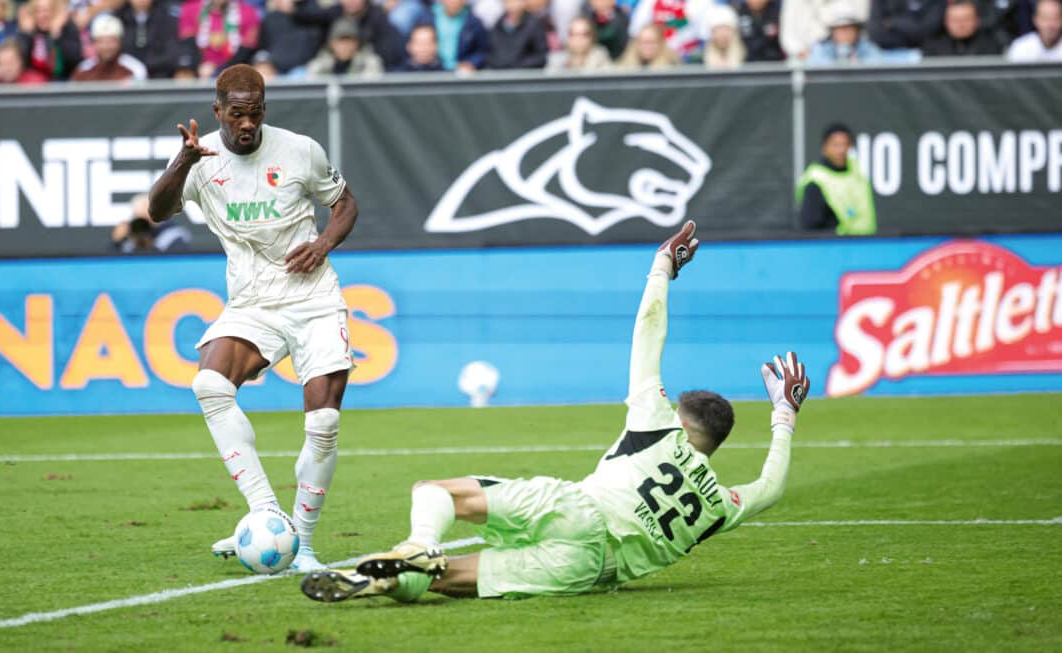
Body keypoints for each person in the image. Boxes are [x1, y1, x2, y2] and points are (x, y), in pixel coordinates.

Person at [300, 221, 811, 604]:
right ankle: (390, 581)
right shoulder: (719, 505)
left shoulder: (658, 425)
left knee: (435, 493)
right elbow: (771, 486)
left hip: (577, 510)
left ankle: (417, 544)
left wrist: (662, 269)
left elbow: (648, 335)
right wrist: (783, 417)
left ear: (681, 418)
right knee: (452, 579)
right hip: (589, 572)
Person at [148, 64, 359, 573]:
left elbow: (345, 205)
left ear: (265, 108)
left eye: (256, 111)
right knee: (209, 385)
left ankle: (303, 545)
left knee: (324, 421)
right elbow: (157, 211)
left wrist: (323, 243)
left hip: (312, 299)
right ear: (217, 111)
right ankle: (267, 513)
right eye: (237, 113)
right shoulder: (199, 161)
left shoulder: (300, 150)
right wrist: (182, 161)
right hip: (253, 304)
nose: (247, 123)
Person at [796, 123, 876, 235]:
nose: (841, 150)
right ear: (825, 148)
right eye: (835, 145)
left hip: (869, 245)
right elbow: (810, 226)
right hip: (836, 248)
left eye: (845, 144)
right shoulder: (815, 180)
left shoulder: (857, 173)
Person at [294, 0, 406, 70]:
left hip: (364, 64)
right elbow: (307, 17)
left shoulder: (377, 15)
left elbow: (388, 52)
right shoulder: (335, 12)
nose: (351, 1)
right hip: (335, 64)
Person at [178, 0, 262, 79]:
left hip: (235, 71)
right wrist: (200, 66)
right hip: (199, 69)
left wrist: (220, 71)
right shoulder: (190, 9)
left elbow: (246, 49)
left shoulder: (248, 12)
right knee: (183, 76)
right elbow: (188, 45)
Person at [14, 0, 82, 80]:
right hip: (33, 84)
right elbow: (19, 63)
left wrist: (56, 35)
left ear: (56, 12)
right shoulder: (26, 31)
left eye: (47, 10)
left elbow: (73, 61)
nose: (42, 15)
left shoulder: (67, 27)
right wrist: (26, 35)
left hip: (63, 83)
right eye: (37, 11)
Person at [780, 0, 868, 60]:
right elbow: (788, 39)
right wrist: (810, 58)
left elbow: (861, 26)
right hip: (806, 61)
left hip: (852, 54)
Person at [70, 13, 148, 81]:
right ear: (94, 43)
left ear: (120, 42)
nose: (106, 46)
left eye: (111, 41)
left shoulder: (135, 69)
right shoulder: (82, 70)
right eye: (101, 41)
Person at [116, 0, 181, 78]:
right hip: (126, 74)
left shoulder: (166, 17)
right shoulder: (119, 17)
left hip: (159, 75)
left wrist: (144, 66)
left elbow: (172, 52)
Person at [111, 193, 192, 253]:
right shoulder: (131, 235)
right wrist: (117, 242)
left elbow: (175, 261)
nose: (141, 222)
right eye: (137, 216)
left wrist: (149, 245)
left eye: (145, 214)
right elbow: (112, 263)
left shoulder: (174, 234)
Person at [306, 16, 384, 76]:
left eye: (349, 40)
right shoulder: (319, 65)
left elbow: (370, 91)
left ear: (358, 43)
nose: (345, 46)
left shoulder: (370, 63)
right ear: (331, 43)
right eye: (340, 40)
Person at [806, 8, 888, 64]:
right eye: (840, 29)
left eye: (849, 28)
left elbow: (876, 62)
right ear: (832, 32)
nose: (845, 33)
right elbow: (816, 64)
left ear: (857, 30)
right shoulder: (822, 48)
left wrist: (858, 64)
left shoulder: (867, 47)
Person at [922, 0, 1003, 55]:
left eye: (966, 19)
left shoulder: (991, 46)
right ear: (946, 22)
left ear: (976, 20)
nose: (961, 25)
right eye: (955, 20)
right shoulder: (932, 47)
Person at [485, 0, 548, 68]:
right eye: (509, 1)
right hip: (501, 75)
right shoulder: (497, 26)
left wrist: (516, 64)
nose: (513, 5)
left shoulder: (534, 24)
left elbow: (541, 57)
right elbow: (490, 54)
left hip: (526, 75)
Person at [432, 0, 489, 72]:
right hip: (433, 70)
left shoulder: (474, 22)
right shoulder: (430, 17)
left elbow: (483, 50)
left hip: (462, 73)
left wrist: (471, 63)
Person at [867, 0, 945, 50]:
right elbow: (875, 32)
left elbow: (927, 30)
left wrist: (892, 23)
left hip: (928, 56)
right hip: (885, 55)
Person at [545, 15, 611, 71]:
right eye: (574, 34)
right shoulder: (556, 60)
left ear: (592, 37)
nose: (579, 39)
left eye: (584, 34)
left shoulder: (600, 57)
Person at [704, 4, 745, 69]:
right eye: (718, 29)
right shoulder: (699, 60)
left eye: (726, 29)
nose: (722, 34)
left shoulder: (748, 57)